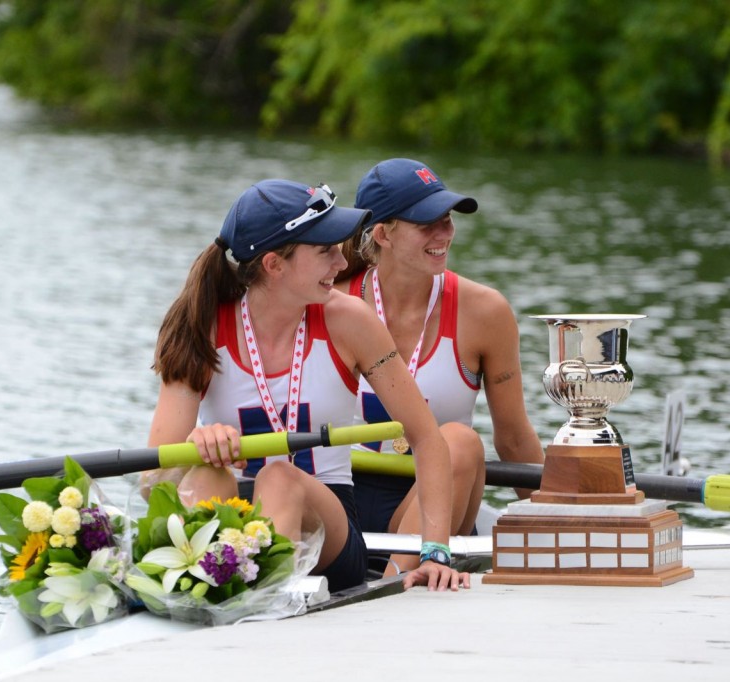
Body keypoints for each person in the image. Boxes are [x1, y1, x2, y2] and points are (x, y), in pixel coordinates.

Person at [141, 178, 469, 593]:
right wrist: (197, 442)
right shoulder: (201, 326)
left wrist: (434, 551)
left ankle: (249, 599)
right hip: (233, 518)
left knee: (279, 476)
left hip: (330, 532)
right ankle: (218, 585)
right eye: (325, 250)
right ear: (274, 265)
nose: (341, 261)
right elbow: (155, 479)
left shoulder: (350, 320)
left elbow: (427, 439)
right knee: (207, 472)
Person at [337, 158, 545, 574]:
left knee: (460, 441)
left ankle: (397, 581)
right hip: (343, 495)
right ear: (383, 234)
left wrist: (563, 523)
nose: (445, 234)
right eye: (427, 223)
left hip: (438, 496)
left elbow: (515, 438)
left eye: (447, 220)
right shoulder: (332, 306)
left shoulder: (485, 312)